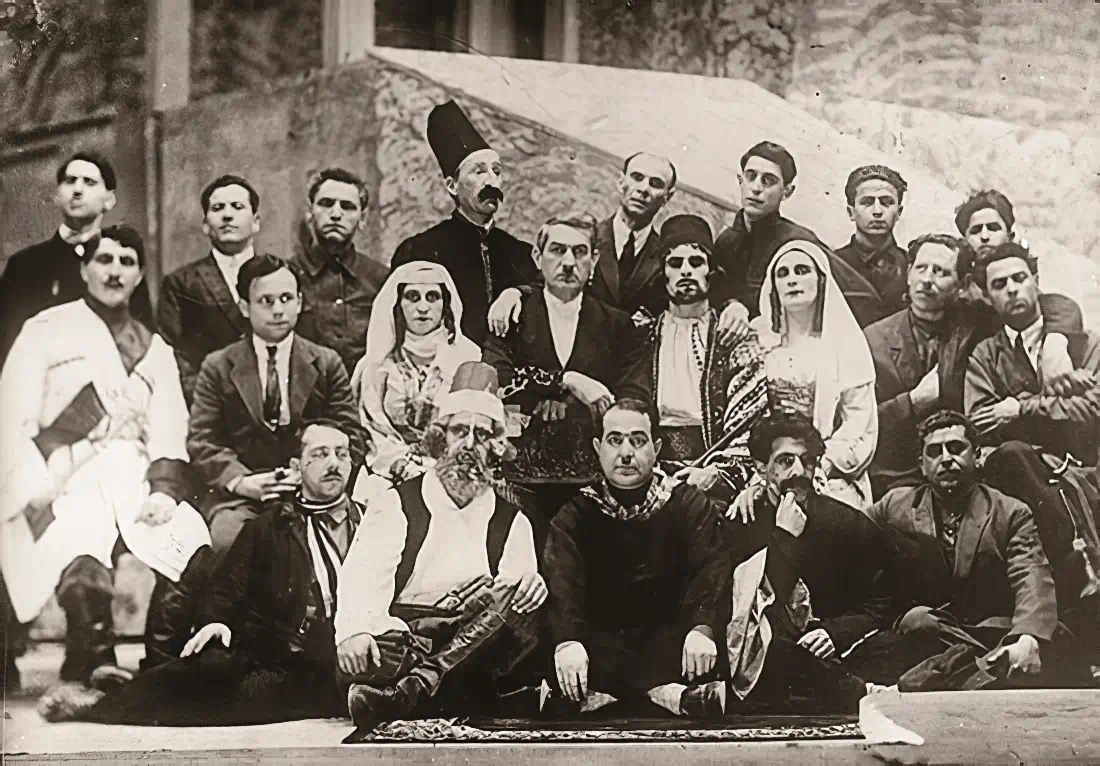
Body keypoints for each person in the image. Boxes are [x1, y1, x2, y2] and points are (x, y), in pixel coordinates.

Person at [39, 420, 365, 726]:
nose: (334, 463)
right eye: (320, 454)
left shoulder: (370, 522)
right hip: (289, 659)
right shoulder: (270, 527)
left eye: (342, 454)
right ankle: (98, 706)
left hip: (353, 653)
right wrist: (217, 622)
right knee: (209, 676)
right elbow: (228, 589)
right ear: (296, 467)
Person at [0, 226, 208, 691]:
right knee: (79, 541)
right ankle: (91, 660)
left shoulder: (152, 348)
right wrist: (33, 479)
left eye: (127, 262)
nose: (115, 272)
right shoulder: (45, 331)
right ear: (84, 269)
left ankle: (163, 663)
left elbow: (170, 427)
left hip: (133, 473)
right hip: (63, 471)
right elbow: (13, 415)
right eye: (104, 260)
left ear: (139, 275)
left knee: (187, 538)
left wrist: (163, 491)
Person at [335, 362, 545, 741]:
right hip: (406, 638)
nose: (469, 445)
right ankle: (430, 688)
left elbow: (508, 610)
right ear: (439, 438)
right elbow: (362, 581)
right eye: (459, 431)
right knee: (375, 651)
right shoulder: (396, 503)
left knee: (513, 603)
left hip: (476, 645)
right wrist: (356, 630)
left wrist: (530, 587)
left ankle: (409, 695)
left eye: (482, 434)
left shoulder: (512, 521)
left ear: (496, 448)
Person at [863, 411, 1093, 690]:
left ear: (977, 455)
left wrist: (1027, 637)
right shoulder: (894, 506)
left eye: (956, 448)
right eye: (934, 452)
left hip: (993, 628)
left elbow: (1031, 576)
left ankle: (957, 672)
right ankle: (977, 669)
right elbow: (850, 536)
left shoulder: (1010, 512)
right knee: (918, 621)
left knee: (1048, 640)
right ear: (922, 465)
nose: (946, 458)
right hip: (934, 632)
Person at [543, 399, 728, 718]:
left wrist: (703, 629)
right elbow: (563, 587)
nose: (626, 453)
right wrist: (567, 642)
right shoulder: (574, 516)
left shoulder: (689, 505)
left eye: (638, 441)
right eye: (615, 440)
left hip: (670, 643)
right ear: (598, 448)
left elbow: (710, 572)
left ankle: (598, 698)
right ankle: (669, 696)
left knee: (699, 645)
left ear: (656, 448)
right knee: (568, 650)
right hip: (601, 645)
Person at [864, 235, 1080, 497]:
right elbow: (860, 419)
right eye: (921, 268)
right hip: (900, 475)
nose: (927, 279)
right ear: (908, 273)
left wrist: (1056, 340)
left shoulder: (976, 320)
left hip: (972, 472)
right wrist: (911, 402)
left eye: (941, 272)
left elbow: (1052, 304)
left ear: (961, 284)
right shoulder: (873, 339)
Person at [481, 212, 640, 547]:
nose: (568, 262)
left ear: (594, 260)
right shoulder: (513, 314)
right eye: (557, 250)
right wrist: (566, 381)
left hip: (590, 478)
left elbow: (627, 395)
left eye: (580, 252)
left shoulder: (616, 325)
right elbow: (499, 378)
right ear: (538, 256)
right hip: (521, 477)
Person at [187, 254, 363, 555]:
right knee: (229, 543)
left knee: (341, 546)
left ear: (299, 302)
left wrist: (311, 473)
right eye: (266, 301)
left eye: (286, 298)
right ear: (245, 307)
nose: (278, 310)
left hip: (316, 492)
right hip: (243, 498)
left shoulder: (326, 363)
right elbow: (203, 441)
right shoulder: (218, 366)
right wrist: (241, 481)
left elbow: (352, 434)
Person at [964, 242, 1100, 619]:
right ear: (988, 297)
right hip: (1023, 476)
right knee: (1013, 456)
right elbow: (980, 420)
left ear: (1036, 282)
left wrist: (1020, 407)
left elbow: (1093, 410)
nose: (1012, 289)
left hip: (1086, 468)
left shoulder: (1085, 344)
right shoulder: (985, 356)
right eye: (999, 284)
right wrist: (1054, 406)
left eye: (1019, 278)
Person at [721, 413, 894, 706]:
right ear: (761, 467)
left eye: (807, 460)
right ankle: (853, 692)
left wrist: (835, 634)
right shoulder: (742, 522)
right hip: (771, 648)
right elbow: (749, 609)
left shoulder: (846, 522)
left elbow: (881, 604)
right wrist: (784, 536)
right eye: (785, 461)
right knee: (772, 648)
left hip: (838, 646)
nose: (799, 471)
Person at [618, 214, 768, 505]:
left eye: (696, 262)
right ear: (663, 273)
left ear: (711, 271)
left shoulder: (733, 336)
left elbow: (749, 419)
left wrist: (717, 472)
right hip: (648, 471)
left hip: (713, 475)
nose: (686, 271)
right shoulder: (641, 336)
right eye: (675, 263)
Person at [391, 100, 538, 346]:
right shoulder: (419, 251)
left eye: (496, 171)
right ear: (452, 186)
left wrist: (517, 291)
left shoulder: (521, 252)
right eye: (478, 171)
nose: (492, 181)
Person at [747, 240, 878, 510]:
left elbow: (859, 425)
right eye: (783, 273)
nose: (792, 280)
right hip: (765, 471)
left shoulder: (846, 345)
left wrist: (819, 466)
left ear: (821, 280)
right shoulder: (759, 343)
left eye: (802, 270)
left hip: (829, 471)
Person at [0, 152, 154, 366]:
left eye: (89, 182)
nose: (78, 190)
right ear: (57, 195)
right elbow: (8, 349)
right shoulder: (24, 265)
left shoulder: (123, 264)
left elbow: (143, 343)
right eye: (70, 181)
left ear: (109, 200)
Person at [711, 141, 885, 327]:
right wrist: (733, 304)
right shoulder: (726, 241)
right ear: (740, 180)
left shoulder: (797, 241)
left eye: (768, 180)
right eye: (750, 176)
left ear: (787, 192)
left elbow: (863, 298)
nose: (756, 187)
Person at [349, 261, 481, 502]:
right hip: (389, 471)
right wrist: (401, 463)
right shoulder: (377, 364)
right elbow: (372, 427)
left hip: (452, 472)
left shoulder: (468, 359)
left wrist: (437, 465)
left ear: (446, 305)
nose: (422, 307)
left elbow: (473, 425)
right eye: (412, 297)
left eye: (432, 297)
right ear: (398, 305)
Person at [156, 175, 260, 406]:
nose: (227, 215)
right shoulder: (181, 283)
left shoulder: (280, 276)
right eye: (217, 208)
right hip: (209, 407)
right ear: (205, 225)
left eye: (237, 206)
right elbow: (174, 358)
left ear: (256, 222)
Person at [289, 167, 388, 376]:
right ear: (310, 212)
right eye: (326, 204)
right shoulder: (286, 275)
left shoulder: (380, 279)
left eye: (347, 207)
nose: (335, 214)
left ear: (362, 218)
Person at [587, 152, 676, 321]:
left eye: (655, 183)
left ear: (668, 196)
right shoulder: (587, 239)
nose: (643, 189)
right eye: (637, 177)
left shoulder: (667, 258)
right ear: (621, 182)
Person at [834, 165, 909, 318]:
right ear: (851, 212)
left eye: (886, 202)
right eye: (867, 202)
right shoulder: (833, 264)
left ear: (899, 212)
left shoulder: (911, 265)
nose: (877, 211)